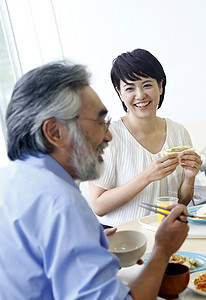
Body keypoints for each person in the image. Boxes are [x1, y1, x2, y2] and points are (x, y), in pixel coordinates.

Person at [0, 62, 189, 299]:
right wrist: (163, 249)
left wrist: (89, 242)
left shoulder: (10, 179)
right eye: (100, 123)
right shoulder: (61, 203)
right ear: (55, 133)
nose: (108, 135)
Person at [90, 49, 202, 227]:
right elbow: (98, 205)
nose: (140, 95)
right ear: (120, 93)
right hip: (121, 238)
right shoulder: (108, 136)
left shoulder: (178, 132)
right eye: (129, 88)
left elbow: (182, 201)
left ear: (161, 86)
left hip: (165, 233)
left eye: (147, 85)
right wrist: (147, 176)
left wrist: (189, 177)